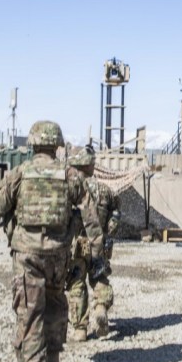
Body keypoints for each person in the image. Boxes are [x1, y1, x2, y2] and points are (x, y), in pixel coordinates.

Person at [0, 121, 85, 362]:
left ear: (33, 144)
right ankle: (53, 357)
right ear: (57, 145)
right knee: (54, 300)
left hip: (27, 254)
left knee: (30, 309)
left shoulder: (20, 173)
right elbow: (86, 208)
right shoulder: (70, 174)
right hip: (59, 254)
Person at [67, 145, 120, 341]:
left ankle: (80, 328)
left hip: (78, 245)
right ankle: (100, 308)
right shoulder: (105, 190)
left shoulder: (73, 188)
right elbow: (117, 211)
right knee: (100, 279)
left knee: (76, 284)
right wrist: (110, 228)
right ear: (91, 165)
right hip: (101, 243)